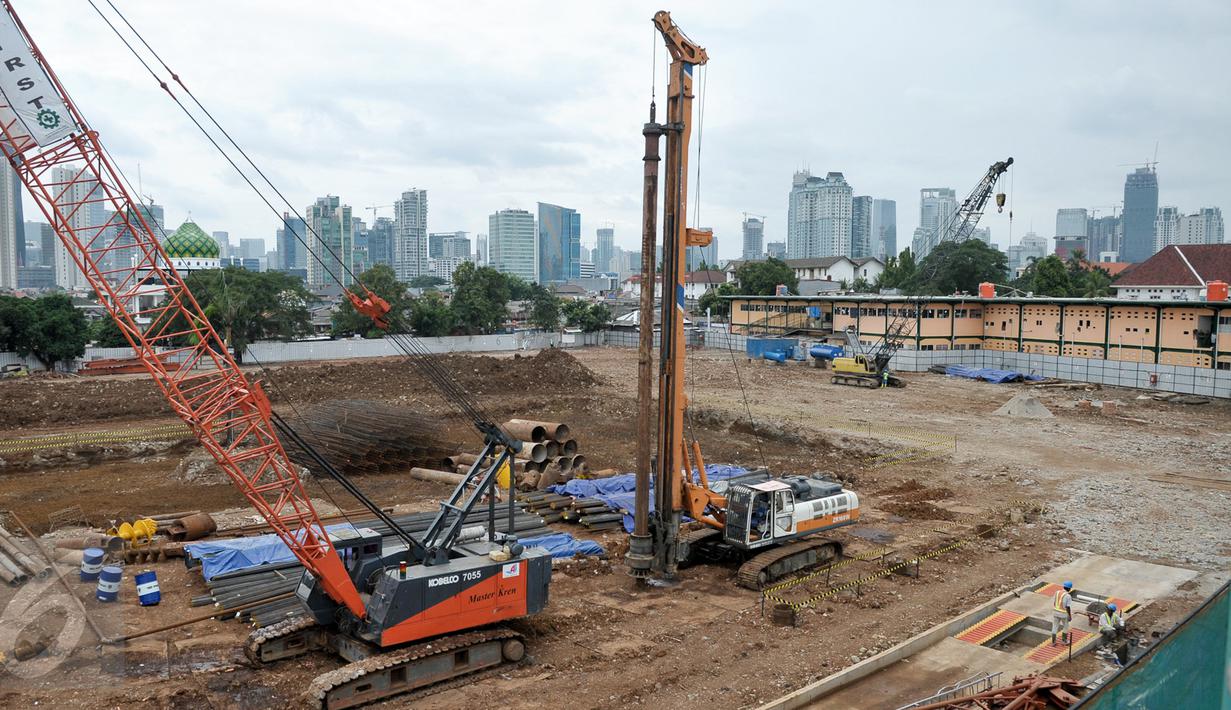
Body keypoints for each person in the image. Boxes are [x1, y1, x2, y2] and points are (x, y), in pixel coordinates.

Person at [1051, 581, 1073, 646]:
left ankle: (1053, 642)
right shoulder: (1068, 596)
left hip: (1055, 612)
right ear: (1069, 588)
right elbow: (1068, 607)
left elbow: (1054, 602)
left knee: (1055, 626)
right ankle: (1064, 641)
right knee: (1066, 627)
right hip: (1063, 614)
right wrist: (1069, 615)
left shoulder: (1057, 592)